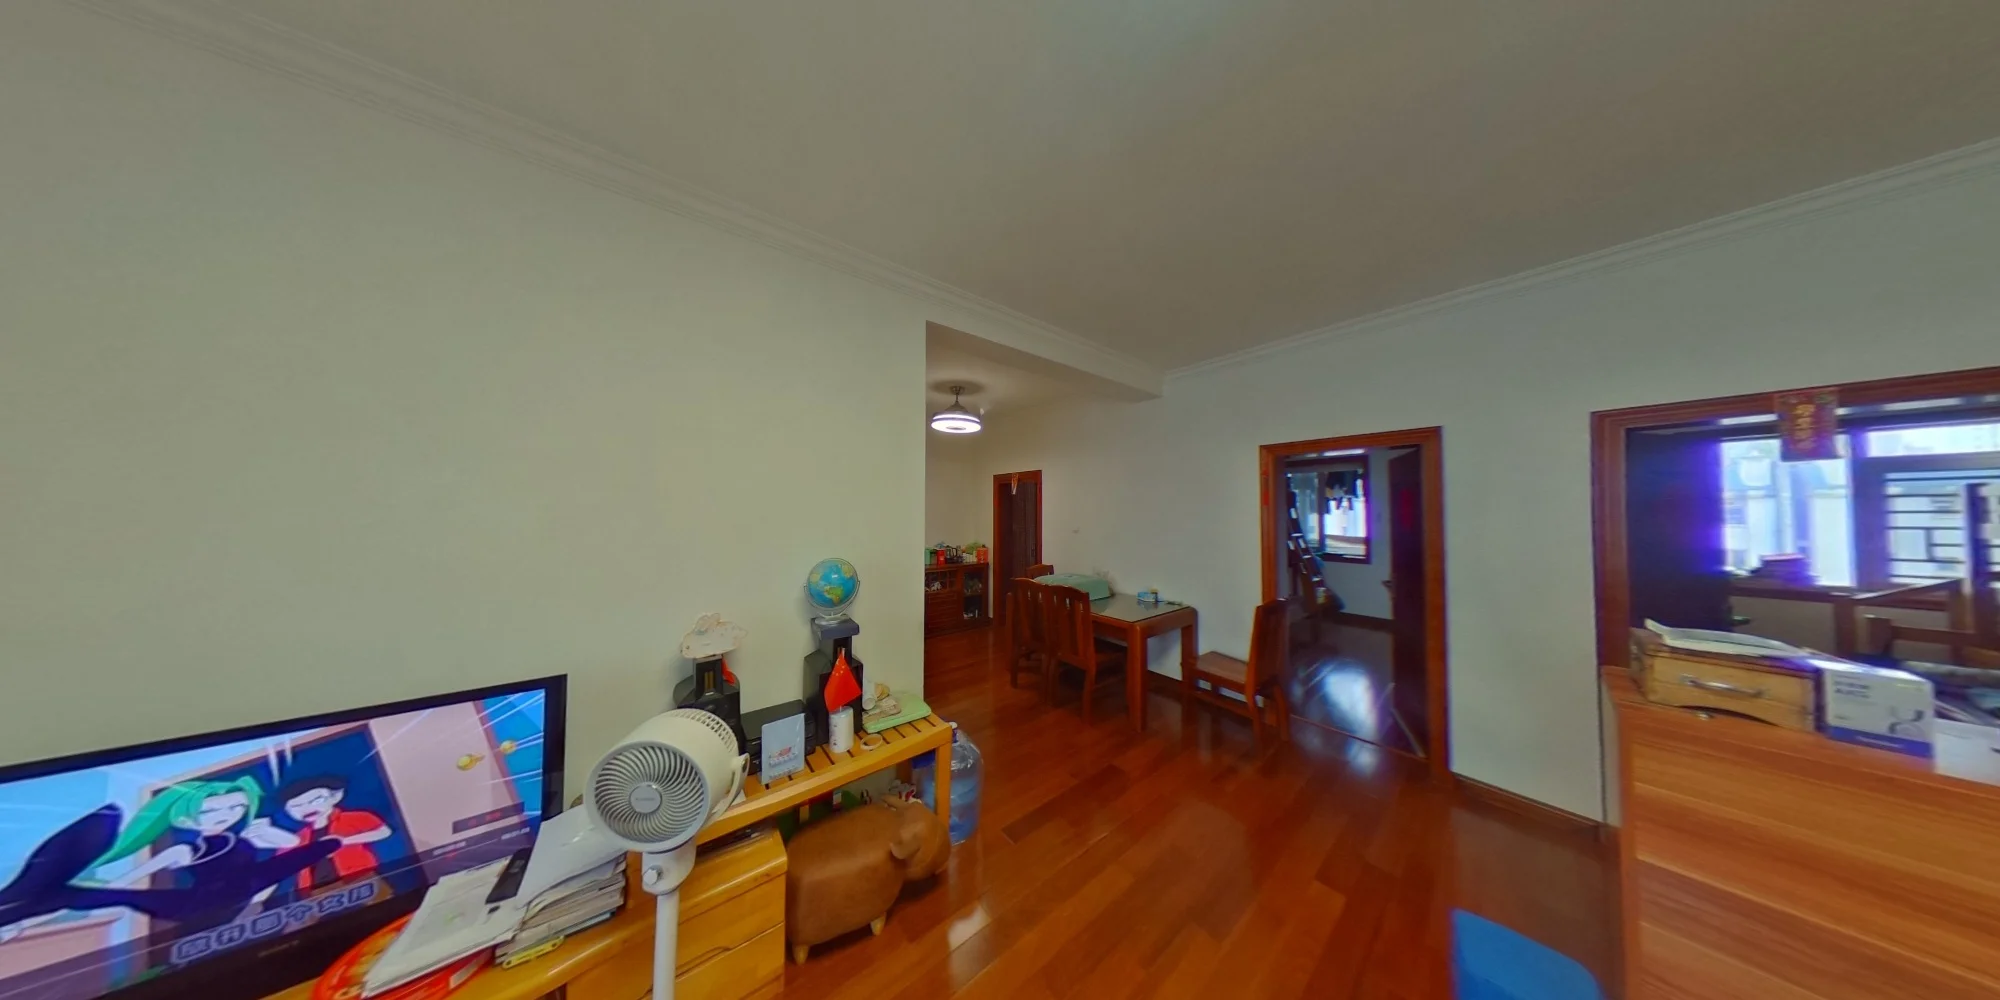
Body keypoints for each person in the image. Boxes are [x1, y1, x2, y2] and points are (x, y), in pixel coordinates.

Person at [0, 778, 343, 940]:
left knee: (308, 853)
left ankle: (27, 903)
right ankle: (21, 909)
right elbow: (125, 884)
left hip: (247, 888)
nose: (227, 816)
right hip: (193, 904)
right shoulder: (187, 849)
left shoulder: (248, 838)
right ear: (186, 820)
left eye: (236, 808)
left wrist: (315, 842)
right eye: (211, 811)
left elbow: (290, 848)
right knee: (110, 895)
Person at [268, 775, 393, 895]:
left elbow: (384, 832)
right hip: (316, 888)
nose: (307, 809)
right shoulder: (298, 837)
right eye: (296, 806)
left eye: (316, 801)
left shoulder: (354, 817)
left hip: (360, 877)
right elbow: (279, 865)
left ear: (336, 796)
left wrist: (343, 841)